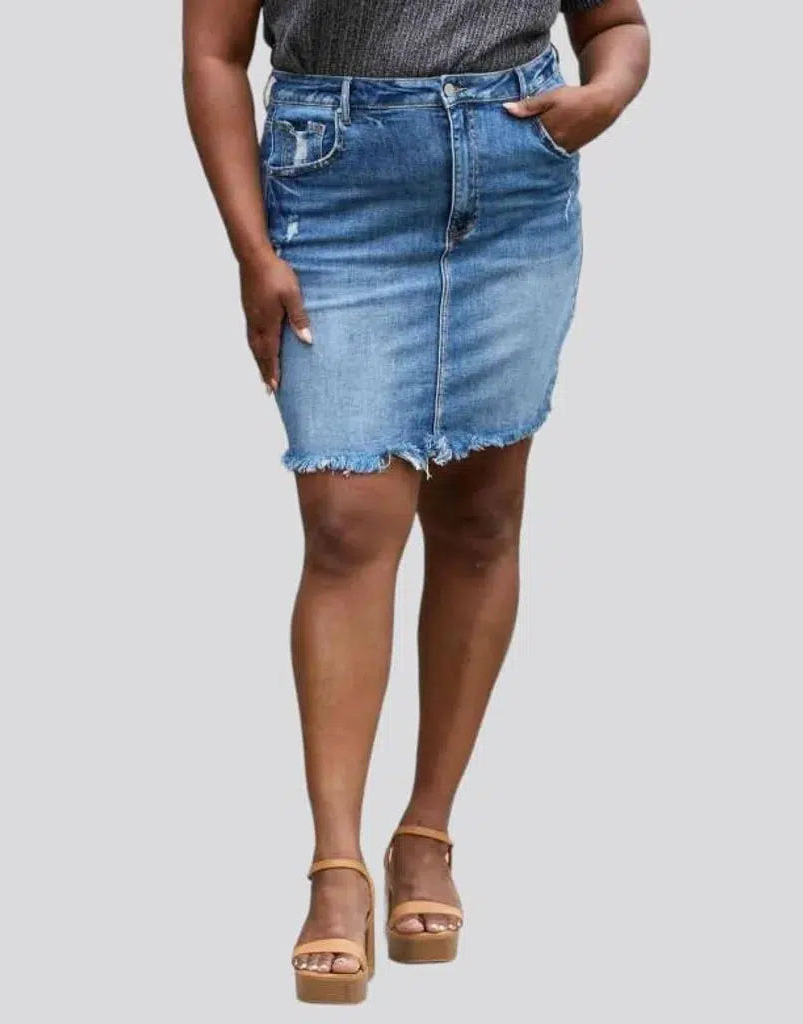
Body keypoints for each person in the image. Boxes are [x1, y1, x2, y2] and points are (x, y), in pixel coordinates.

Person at [183, 0, 650, 1004]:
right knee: (345, 527)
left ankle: (426, 834)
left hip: (513, 189)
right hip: (335, 186)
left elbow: (616, 23)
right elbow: (214, 54)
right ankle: (336, 865)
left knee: (481, 520)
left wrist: (607, 93)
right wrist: (252, 251)